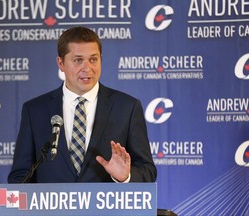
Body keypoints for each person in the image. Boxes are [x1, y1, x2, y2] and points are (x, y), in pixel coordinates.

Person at [8, 26, 157, 183]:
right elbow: (20, 176)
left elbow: (147, 171)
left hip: (106, 207)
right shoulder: (35, 111)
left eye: (93, 59)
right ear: (61, 63)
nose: (87, 68)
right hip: (52, 208)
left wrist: (125, 177)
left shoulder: (127, 108)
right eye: (78, 60)